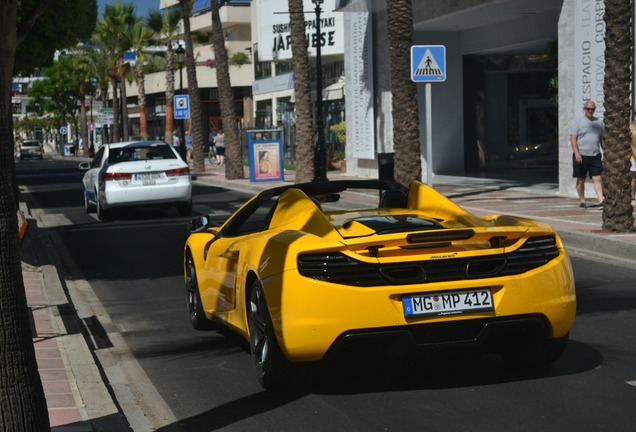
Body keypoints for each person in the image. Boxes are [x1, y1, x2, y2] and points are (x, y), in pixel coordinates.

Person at [570, 101, 604, 209]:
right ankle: (582, 201)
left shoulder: (599, 122)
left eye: (592, 109)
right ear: (584, 109)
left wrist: (605, 151)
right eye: (588, 108)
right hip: (581, 155)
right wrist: (577, 153)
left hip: (595, 155)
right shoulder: (578, 122)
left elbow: (602, 139)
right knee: (581, 179)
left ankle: (600, 200)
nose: (590, 110)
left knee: (597, 178)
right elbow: (573, 138)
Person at [631, 121, 636, 209]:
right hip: (633, 158)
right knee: (634, 179)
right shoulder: (632, 126)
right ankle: (632, 198)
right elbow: (628, 141)